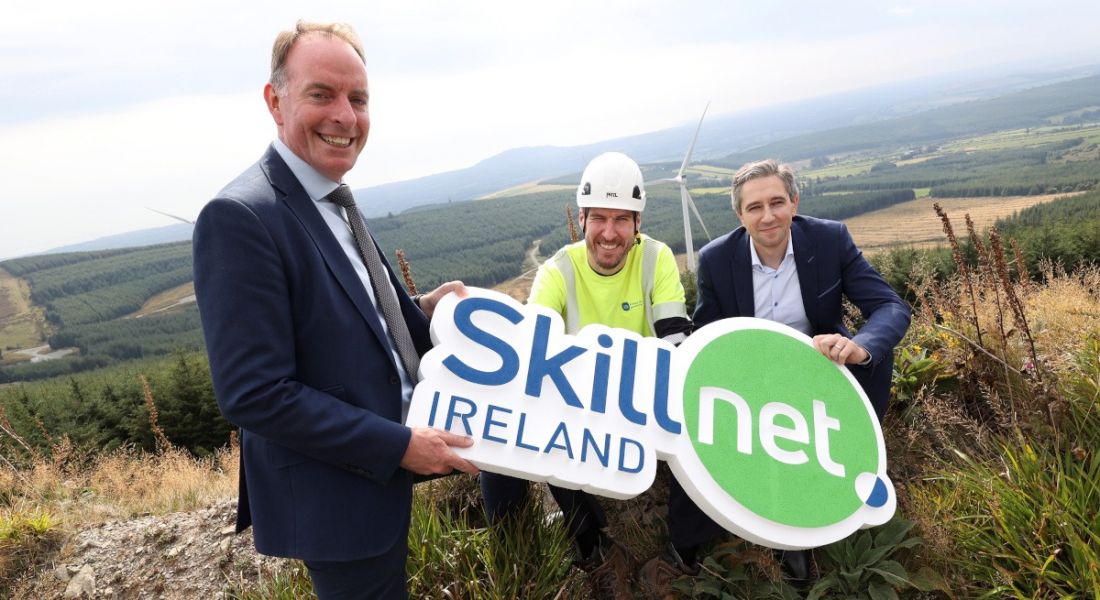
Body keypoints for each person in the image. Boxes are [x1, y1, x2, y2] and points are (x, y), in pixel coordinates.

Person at [192, 21, 477, 600]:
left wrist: (428, 308)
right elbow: (254, 393)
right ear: (276, 100)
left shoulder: (332, 196)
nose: (346, 117)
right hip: (337, 494)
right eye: (322, 94)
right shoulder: (240, 217)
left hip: (376, 479)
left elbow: (356, 314)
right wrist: (399, 446)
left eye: (359, 99)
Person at [479, 152, 700, 599]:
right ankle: (593, 549)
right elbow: (533, 352)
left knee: (694, 424)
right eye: (598, 218)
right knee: (542, 432)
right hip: (580, 400)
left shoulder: (656, 258)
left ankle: (686, 553)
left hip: (645, 397)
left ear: (638, 222)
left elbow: (676, 340)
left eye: (623, 219)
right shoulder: (557, 270)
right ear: (581, 218)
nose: (610, 233)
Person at [694, 158, 911, 583]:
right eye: (754, 207)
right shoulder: (716, 260)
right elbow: (708, 334)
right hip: (755, 378)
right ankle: (787, 535)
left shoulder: (829, 240)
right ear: (740, 216)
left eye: (777, 202)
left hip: (822, 367)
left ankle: (856, 471)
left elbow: (889, 306)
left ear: (795, 202)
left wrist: (859, 347)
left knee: (877, 361)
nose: (768, 215)